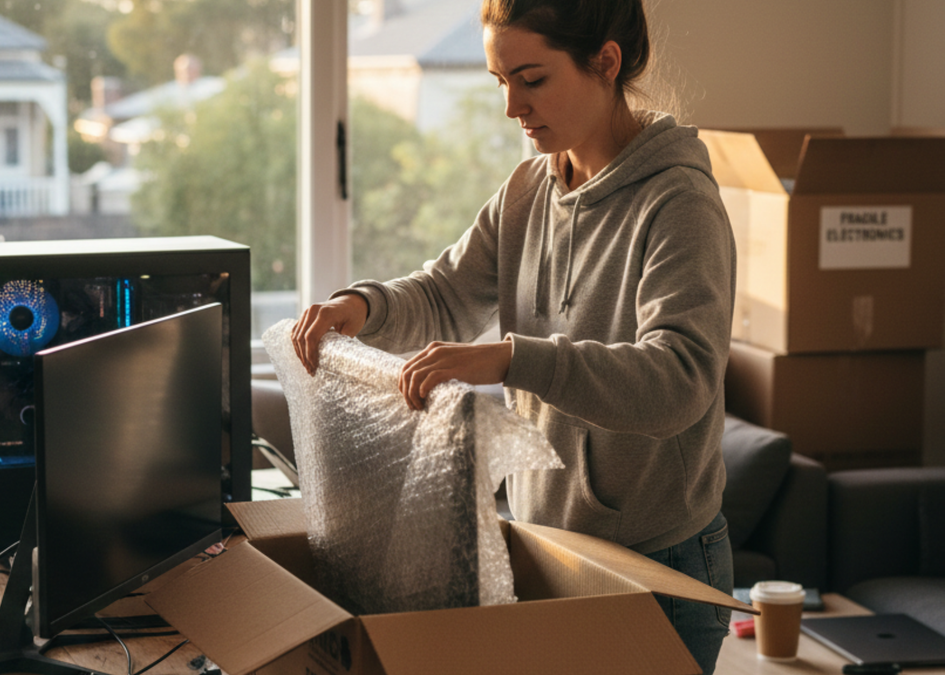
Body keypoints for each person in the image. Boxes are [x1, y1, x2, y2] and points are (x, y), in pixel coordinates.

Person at [291, 0, 736, 671]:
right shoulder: (528, 189)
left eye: (532, 80)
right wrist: (361, 307)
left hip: (658, 567)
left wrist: (510, 359)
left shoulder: (678, 203)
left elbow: (679, 382)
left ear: (606, 63)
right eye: (501, 83)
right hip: (548, 548)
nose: (513, 109)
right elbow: (445, 291)